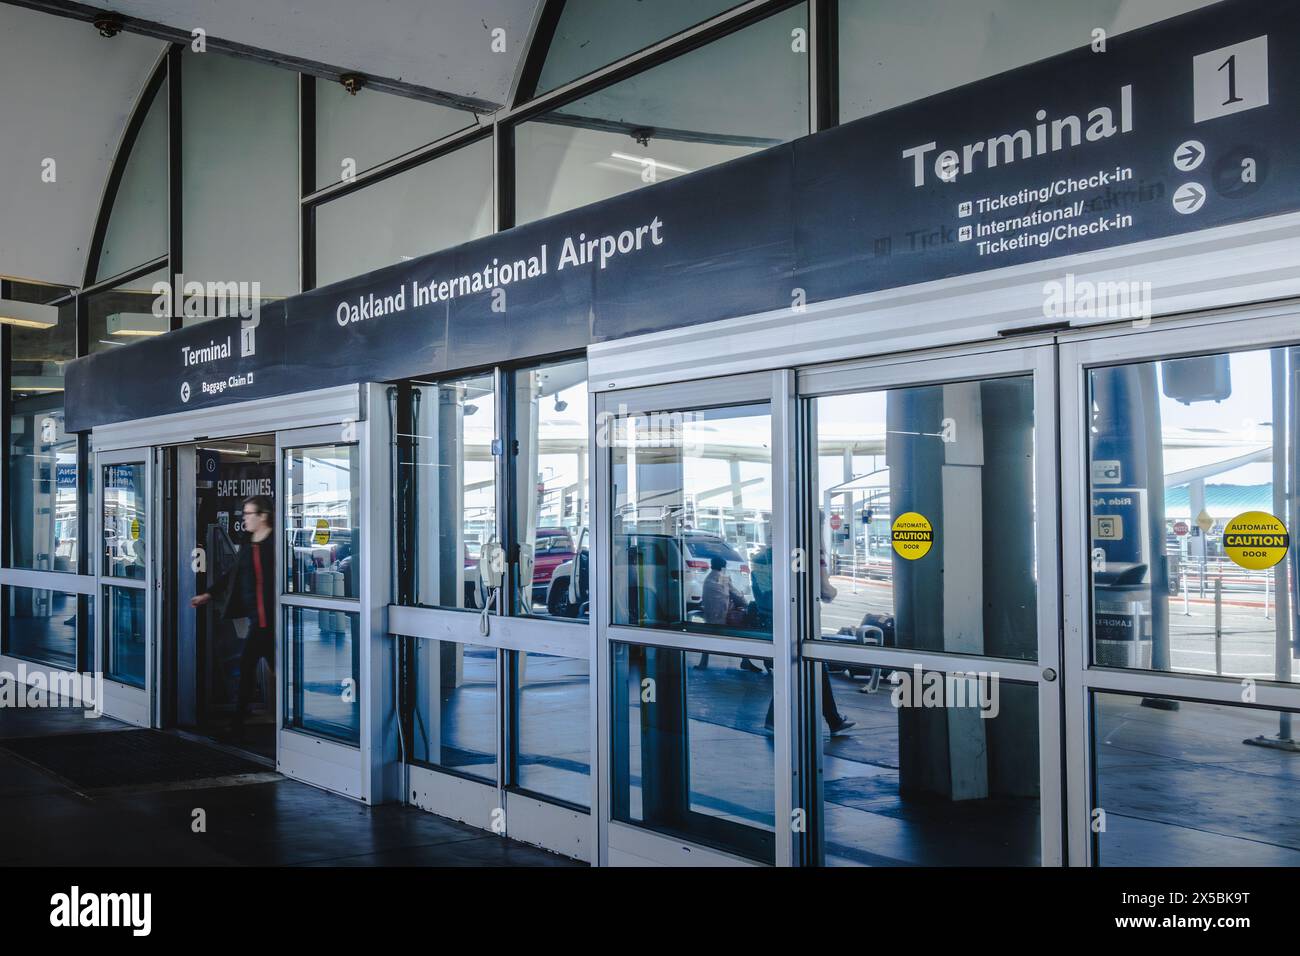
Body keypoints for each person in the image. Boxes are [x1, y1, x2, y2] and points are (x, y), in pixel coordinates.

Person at [191, 495, 275, 742]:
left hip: (270, 622)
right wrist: (209, 594)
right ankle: (243, 724)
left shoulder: (274, 545)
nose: (244, 519)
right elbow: (232, 575)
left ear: (263, 516)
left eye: (248, 514)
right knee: (253, 670)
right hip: (257, 621)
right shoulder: (249, 543)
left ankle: (243, 726)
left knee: (257, 669)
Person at [694, 556, 748, 670]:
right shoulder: (723, 578)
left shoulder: (708, 579)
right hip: (724, 618)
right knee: (745, 628)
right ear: (723, 567)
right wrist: (745, 604)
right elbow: (736, 595)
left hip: (709, 619)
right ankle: (746, 660)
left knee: (709, 636)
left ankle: (703, 662)